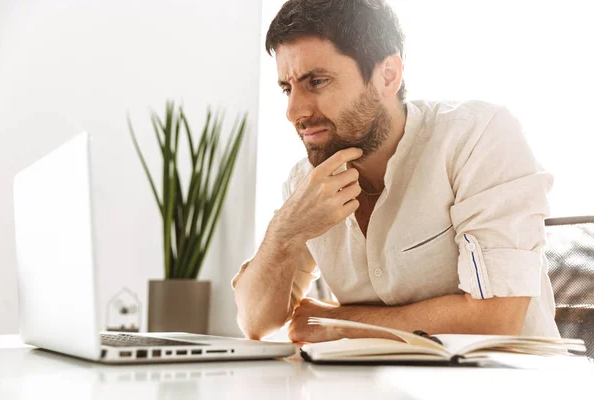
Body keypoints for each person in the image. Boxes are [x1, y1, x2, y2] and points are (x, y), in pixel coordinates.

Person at [232, 0, 560, 343]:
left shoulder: (478, 136)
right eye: (287, 88)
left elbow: (497, 319)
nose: (293, 111)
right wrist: (286, 231)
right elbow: (256, 322)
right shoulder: (308, 183)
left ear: (388, 75)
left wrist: (338, 323)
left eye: (316, 81)